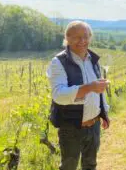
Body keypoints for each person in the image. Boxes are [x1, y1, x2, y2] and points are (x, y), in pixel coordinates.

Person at [47, 20, 110, 170]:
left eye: (86, 36)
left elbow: (99, 89)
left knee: (90, 165)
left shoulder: (93, 59)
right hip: (71, 127)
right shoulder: (58, 62)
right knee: (69, 166)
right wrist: (89, 87)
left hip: (94, 125)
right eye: (77, 37)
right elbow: (59, 95)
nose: (82, 41)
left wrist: (104, 112)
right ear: (67, 38)